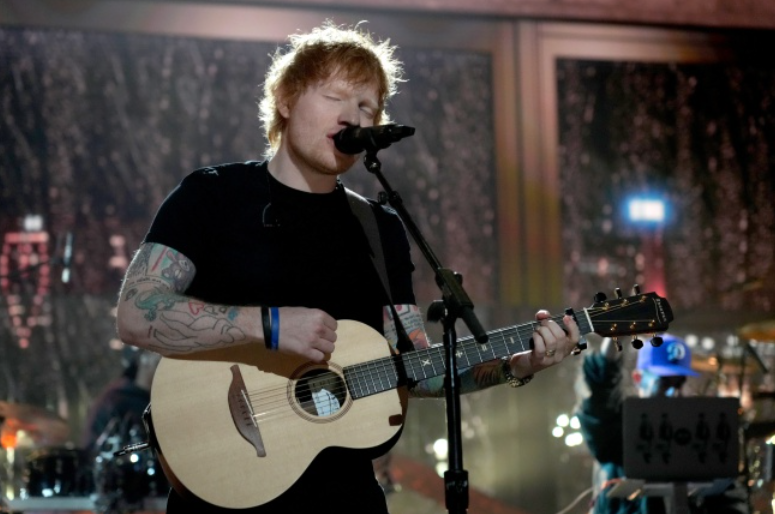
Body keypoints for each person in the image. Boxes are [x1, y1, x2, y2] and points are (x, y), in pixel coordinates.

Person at [115, 20, 582, 514]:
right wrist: (270, 325)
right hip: (226, 494)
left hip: (346, 499)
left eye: (366, 107)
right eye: (335, 96)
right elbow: (136, 314)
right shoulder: (212, 196)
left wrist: (518, 364)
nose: (351, 116)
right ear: (286, 100)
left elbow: (418, 368)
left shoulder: (380, 228)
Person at [575, 335, 750, 514]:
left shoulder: (693, 431)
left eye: (679, 383)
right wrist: (614, 337)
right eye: (663, 383)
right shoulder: (621, 428)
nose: (673, 392)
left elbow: (727, 498)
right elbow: (599, 400)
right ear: (638, 378)